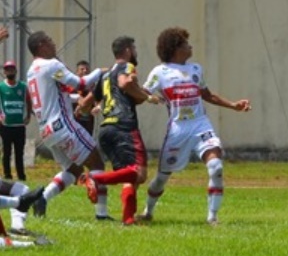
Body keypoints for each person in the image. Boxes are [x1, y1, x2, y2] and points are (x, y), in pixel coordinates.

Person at [138, 27, 251, 225]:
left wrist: (233, 105)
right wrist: (143, 95)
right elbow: (141, 92)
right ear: (175, 48)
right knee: (162, 177)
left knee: (215, 166)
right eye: (185, 43)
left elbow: (207, 95)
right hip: (177, 130)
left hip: (200, 124)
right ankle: (148, 210)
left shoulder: (196, 69)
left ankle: (212, 218)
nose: (190, 46)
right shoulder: (160, 72)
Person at [25, 30, 107, 218]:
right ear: (41, 46)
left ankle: (42, 198)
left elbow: (55, 97)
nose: (54, 45)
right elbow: (81, 82)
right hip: (63, 126)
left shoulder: (31, 71)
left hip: (46, 131)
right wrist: (100, 72)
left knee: (74, 170)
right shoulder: (51, 65)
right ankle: (102, 214)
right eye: (50, 41)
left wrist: (78, 99)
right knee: (96, 161)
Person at [79, 36, 159, 226]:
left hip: (106, 129)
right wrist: (148, 98)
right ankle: (94, 178)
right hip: (124, 126)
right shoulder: (127, 67)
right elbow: (124, 84)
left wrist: (87, 108)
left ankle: (128, 219)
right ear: (127, 50)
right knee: (139, 173)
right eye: (134, 48)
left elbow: (84, 104)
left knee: (128, 176)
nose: (135, 52)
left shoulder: (104, 75)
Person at [0, 60, 33, 182]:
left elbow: (29, 101)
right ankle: (7, 175)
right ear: (4, 72)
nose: (9, 71)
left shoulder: (23, 87)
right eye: (7, 69)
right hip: (5, 125)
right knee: (6, 151)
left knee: (19, 153)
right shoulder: (1, 87)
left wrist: (28, 116)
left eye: (11, 69)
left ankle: (21, 175)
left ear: (15, 71)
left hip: (19, 125)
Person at [72, 60, 96, 136]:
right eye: (82, 69)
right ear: (77, 72)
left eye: (87, 69)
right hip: (74, 123)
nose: (85, 71)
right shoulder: (72, 86)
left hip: (88, 123)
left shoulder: (93, 87)